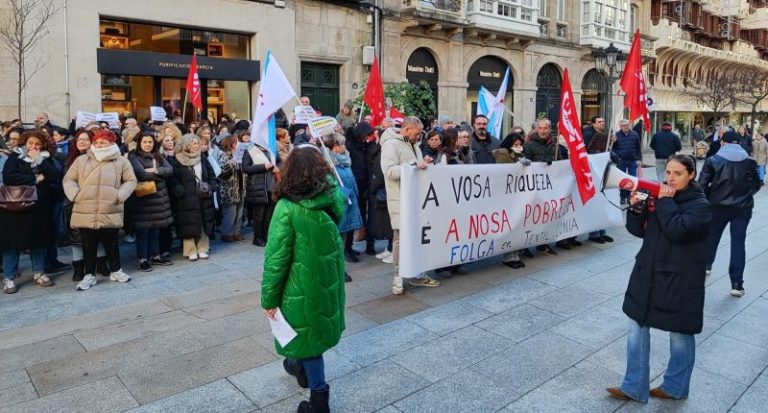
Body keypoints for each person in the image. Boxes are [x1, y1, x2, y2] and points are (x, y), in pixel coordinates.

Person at [606, 155, 711, 403]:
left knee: (680, 334)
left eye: (677, 174)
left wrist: (663, 202)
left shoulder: (700, 206)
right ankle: (634, 386)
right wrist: (637, 208)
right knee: (636, 327)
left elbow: (678, 229)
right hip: (648, 273)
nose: (670, 179)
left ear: (692, 175)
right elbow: (637, 231)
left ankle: (675, 387)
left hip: (679, 281)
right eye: (668, 173)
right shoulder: (662, 197)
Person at [261, 144, 346, 413]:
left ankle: (319, 400)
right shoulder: (332, 199)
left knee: (308, 343)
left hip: (298, 286)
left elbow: (276, 260)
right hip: (326, 284)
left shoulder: (287, 208)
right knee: (311, 337)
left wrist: (268, 299)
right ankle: (296, 366)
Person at [63, 129, 136, 291]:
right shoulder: (82, 160)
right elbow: (69, 179)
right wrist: (75, 195)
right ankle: (89, 275)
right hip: (85, 208)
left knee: (112, 243)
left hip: (110, 208)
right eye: (96, 142)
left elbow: (131, 181)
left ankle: (116, 270)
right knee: (88, 244)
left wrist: (120, 195)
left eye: (103, 142)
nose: (99, 144)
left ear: (111, 142)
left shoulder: (121, 161)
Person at [381, 116, 440, 295]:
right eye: (416, 133)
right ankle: (398, 278)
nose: (418, 137)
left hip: (415, 200)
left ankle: (416, 274)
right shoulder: (391, 145)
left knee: (416, 237)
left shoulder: (413, 144)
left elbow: (416, 167)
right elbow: (389, 171)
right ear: (406, 130)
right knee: (400, 239)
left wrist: (424, 164)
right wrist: (415, 165)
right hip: (400, 199)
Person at [699, 131, 761, 297]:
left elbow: (702, 185)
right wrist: (745, 196)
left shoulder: (713, 160)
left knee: (711, 236)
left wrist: (710, 197)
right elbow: (756, 184)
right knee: (738, 243)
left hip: (717, 206)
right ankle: (736, 284)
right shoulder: (749, 162)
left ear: (723, 143)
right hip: (743, 208)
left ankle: (706, 265)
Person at [1, 130, 61, 293]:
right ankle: (9, 277)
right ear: (24, 143)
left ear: (42, 145)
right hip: (16, 207)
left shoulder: (46, 158)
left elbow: (55, 175)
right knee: (12, 244)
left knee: (39, 241)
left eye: (37, 144)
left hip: (40, 207)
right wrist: (35, 179)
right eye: (30, 143)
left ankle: (39, 273)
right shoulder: (15, 156)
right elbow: (8, 177)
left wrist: (39, 160)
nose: (33, 146)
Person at [128, 131, 174, 271]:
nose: (147, 145)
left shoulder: (157, 156)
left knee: (156, 228)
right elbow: (140, 173)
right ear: (139, 143)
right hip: (144, 200)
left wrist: (155, 171)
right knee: (143, 230)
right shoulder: (134, 156)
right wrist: (160, 174)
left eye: (150, 142)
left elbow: (169, 170)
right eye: (145, 142)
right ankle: (142, 259)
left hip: (159, 199)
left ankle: (155, 255)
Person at [167, 134, 217, 261]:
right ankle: (190, 250)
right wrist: (181, 192)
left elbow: (211, 174)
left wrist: (211, 186)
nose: (197, 146)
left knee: (203, 220)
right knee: (188, 222)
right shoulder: (177, 160)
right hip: (186, 198)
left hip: (203, 195)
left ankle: (203, 248)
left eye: (197, 143)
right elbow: (174, 179)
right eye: (194, 143)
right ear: (187, 145)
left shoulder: (202, 158)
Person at [323, 133, 363, 270]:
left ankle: (343, 260)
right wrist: (344, 194)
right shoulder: (329, 165)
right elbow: (330, 186)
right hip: (341, 205)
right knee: (338, 238)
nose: (344, 146)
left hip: (350, 202)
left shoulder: (345, 161)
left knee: (346, 235)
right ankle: (338, 269)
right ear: (335, 147)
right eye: (342, 144)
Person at [494, 133, 530, 269]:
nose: (518, 147)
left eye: (520, 144)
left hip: (517, 194)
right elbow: (504, 170)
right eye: (516, 145)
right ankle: (509, 256)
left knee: (517, 224)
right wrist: (517, 163)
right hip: (505, 195)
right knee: (509, 224)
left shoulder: (520, 154)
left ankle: (515, 254)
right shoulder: (502, 153)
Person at [242, 139, 279, 247]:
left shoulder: (272, 150)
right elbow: (245, 168)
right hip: (258, 187)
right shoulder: (251, 150)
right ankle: (258, 238)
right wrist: (263, 167)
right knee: (259, 214)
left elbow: (280, 162)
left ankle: (266, 236)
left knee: (269, 214)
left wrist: (278, 168)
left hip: (272, 186)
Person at [216, 134, 246, 243]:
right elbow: (221, 172)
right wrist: (232, 163)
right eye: (236, 142)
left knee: (239, 212)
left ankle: (236, 232)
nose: (237, 144)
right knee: (230, 213)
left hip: (241, 186)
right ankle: (227, 233)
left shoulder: (241, 155)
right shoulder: (224, 155)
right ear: (231, 144)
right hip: (230, 188)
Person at [612, 119, 643, 204]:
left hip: (633, 160)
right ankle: (622, 197)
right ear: (620, 126)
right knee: (623, 180)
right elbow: (613, 149)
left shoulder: (634, 134)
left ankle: (631, 197)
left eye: (627, 125)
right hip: (621, 161)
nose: (626, 127)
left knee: (632, 179)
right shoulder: (616, 135)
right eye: (624, 125)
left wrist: (639, 159)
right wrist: (617, 156)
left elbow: (638, 148)